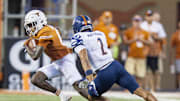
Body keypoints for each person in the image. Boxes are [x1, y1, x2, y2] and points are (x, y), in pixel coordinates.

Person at [71, 15, 157, 101]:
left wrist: (90, 78)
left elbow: (84, 57)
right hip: (116, 66)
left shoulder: (78, 37)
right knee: (142, 92)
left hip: (104, 71)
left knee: (91, 96)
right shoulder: (100, 34)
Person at [23, 10, 89, 101]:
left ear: (40, 22)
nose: (30, 28)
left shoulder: (45, 32)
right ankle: (62, 95)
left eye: (31, 25)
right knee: (36, 79)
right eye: (29, 26)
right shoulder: (45, 30)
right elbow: (58, 31)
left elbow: (35, 56)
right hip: (58, 62)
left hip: (65, 60)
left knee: (79, 87)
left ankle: (96, 99)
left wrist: (27, 48)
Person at [140, 10, 167, 92]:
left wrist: (155, 36)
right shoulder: (142, 25)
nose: (149, 17)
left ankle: (154, 88)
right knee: (144, 70)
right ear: (145, 17)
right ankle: (145, 87)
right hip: (144, 51)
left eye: (150, 15)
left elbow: (163, 39)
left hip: (154, 51)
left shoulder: (158, 26)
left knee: (154, 70)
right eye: (148, 15)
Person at [123, 15, 151, 87]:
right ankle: (128, 88)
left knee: (140, 74)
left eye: (138, 21)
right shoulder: (129, 31)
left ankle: (138, 88)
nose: (137, 23)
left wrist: (142, 40)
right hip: (131, 55)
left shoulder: (145, 32)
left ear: (141, 22)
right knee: (129, 73)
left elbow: (150, 42)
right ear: (133, 22)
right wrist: (134, 40)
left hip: (141, 56)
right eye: (135, 21)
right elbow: (125, 41)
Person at [171, 21, 180, 90]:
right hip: (178, 56)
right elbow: (172, 46)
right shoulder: (176, 34)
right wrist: (171, 58)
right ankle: (179, 86)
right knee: (178, 72)